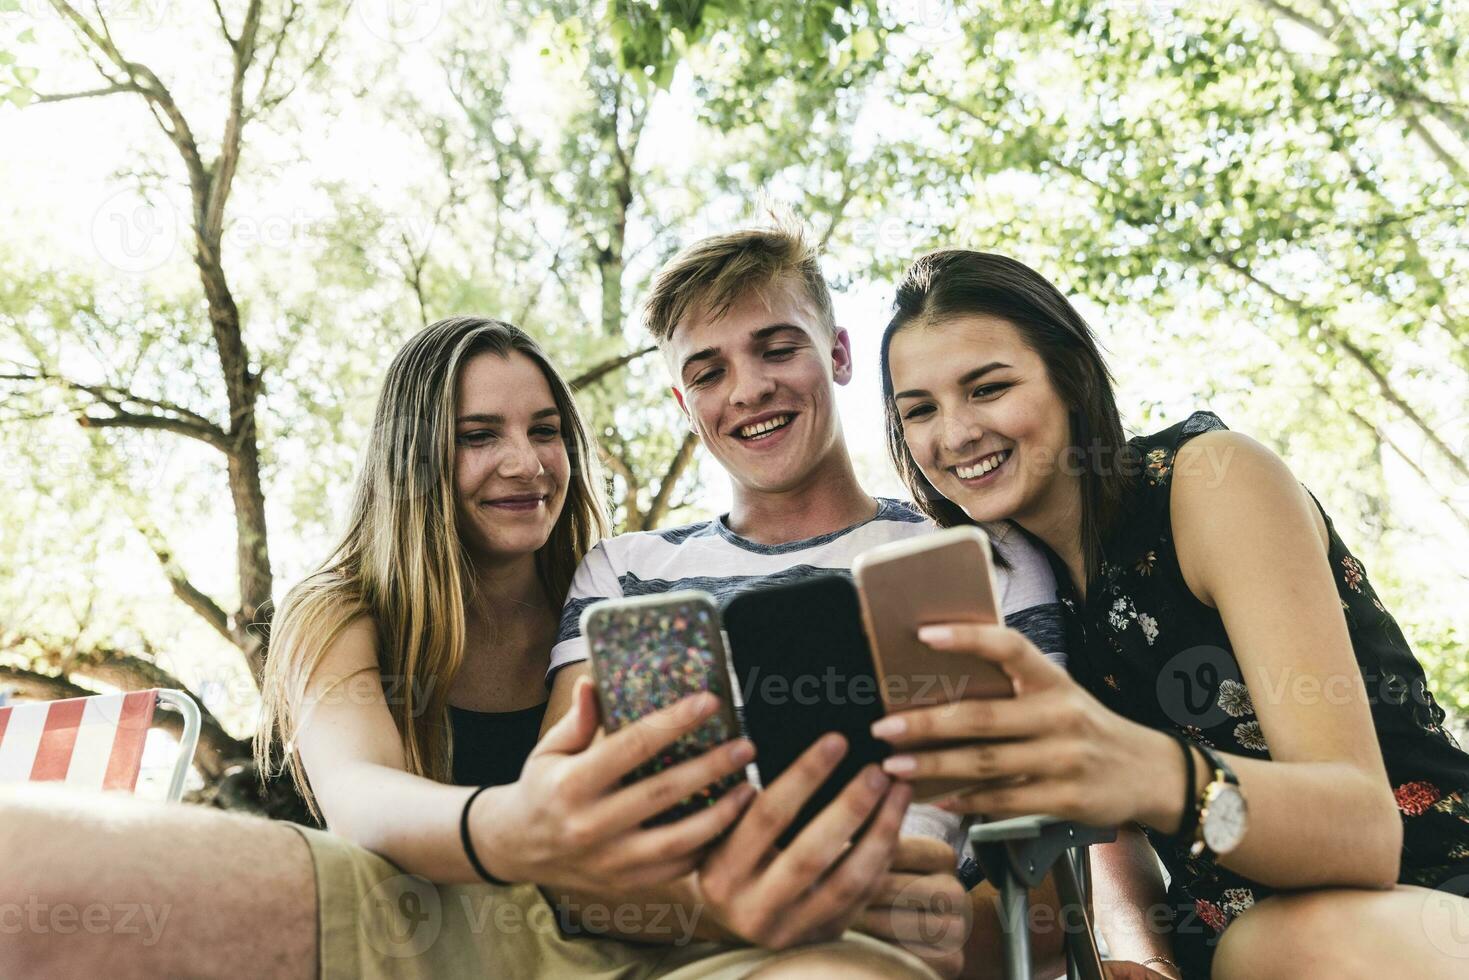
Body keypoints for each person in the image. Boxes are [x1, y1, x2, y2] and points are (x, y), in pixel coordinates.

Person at [0, 316, 904, 979]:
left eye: (544, 431)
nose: (525, 464)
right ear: (414, 456)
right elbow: (359, 796)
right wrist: (515, 828)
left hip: (626, 941)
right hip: (415, 924)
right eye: (478, 437)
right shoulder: (343, 608)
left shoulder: (615, 596)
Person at [872, 249, 1469, 979]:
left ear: (1071, 376)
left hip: (1419, 898)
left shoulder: (1211, 483)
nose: (955, 433)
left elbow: (1362, 832)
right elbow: (1114, 848)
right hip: (1228, 950)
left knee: (1266, 947)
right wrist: (1149, 964)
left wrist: (1145, 771)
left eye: (987, 388)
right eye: (920, 411)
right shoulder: (1011, 593)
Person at [539, 220, 1079, 980]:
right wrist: (743, 905)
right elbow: (556, 852)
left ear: (839, 354)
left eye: (776, 348)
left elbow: (1053, 900)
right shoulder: (622, 576)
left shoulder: (978, 559)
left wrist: (958, 930)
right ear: (681, 403)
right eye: (706, 371)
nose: (749, 389)